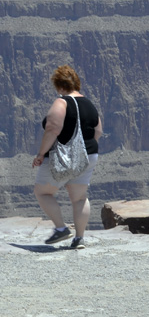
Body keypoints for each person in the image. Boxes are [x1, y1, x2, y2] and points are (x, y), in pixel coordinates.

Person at [32, 65, 103, 249]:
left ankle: (61, 228)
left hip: (63, 156)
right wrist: (83, 150)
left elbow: (53, 128)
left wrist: (41, 154)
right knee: (79, 198)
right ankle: (79, 238)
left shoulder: (62, 102)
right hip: (89, 155)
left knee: (43, 192)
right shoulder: (89, 104)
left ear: (59, 85)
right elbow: (98, 131)